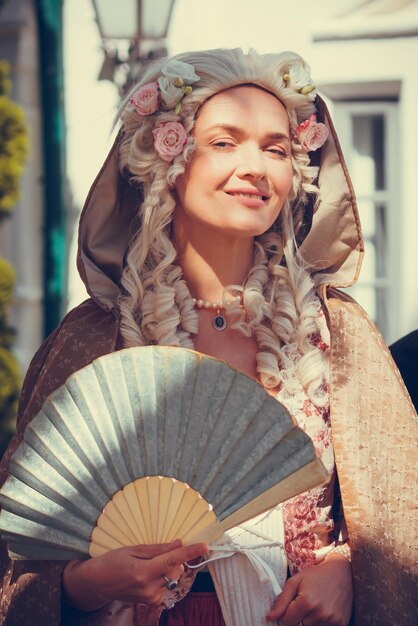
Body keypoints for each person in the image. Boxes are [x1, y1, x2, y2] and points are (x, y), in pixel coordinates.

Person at [0, 48, 416, 626]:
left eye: (276, 148)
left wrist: (348, 569)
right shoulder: (93, 337)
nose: (255, 167)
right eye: (225, 142)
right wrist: (85, 585)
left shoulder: (336, 331)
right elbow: (20, 552)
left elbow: (399, 512)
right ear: (167, 157)